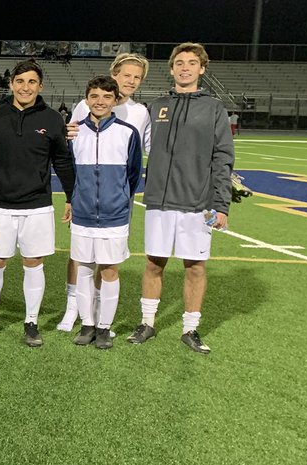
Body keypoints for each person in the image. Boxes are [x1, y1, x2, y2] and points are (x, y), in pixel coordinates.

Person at [128, 42, 234, 354]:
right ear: (172, 68)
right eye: (179, 63)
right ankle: (147, 323)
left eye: (191, 63)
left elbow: (223, 157)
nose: (185, 68)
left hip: (198, 204)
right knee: (153, 263)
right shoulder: (156, 105)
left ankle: (190, 329)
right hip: (159, 200)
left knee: (195, 267)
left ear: (202, 69)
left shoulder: (214, 108)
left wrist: (221, 204)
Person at [0, 59, 76, 347]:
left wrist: (71, 196)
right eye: (20, 81)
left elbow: (62, 160)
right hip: (1, 205)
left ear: (40, 86)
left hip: (37, 205)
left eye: (31, 82)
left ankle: (31, 322)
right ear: (11, 84)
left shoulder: (52, 119)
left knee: (33, 263)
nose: (25, 87)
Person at [58, 52, 152, 332]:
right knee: (81, 257)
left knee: (108, 261)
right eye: (126, 75)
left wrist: (122, 193)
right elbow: (72, 141)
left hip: (116, 197)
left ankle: (99, 314)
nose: (131, 81)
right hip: (85, 196)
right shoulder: (84, 104)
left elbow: (138, 161)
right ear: (114, 74)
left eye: (137, 77)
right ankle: (73, 308)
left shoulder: (139, 112)